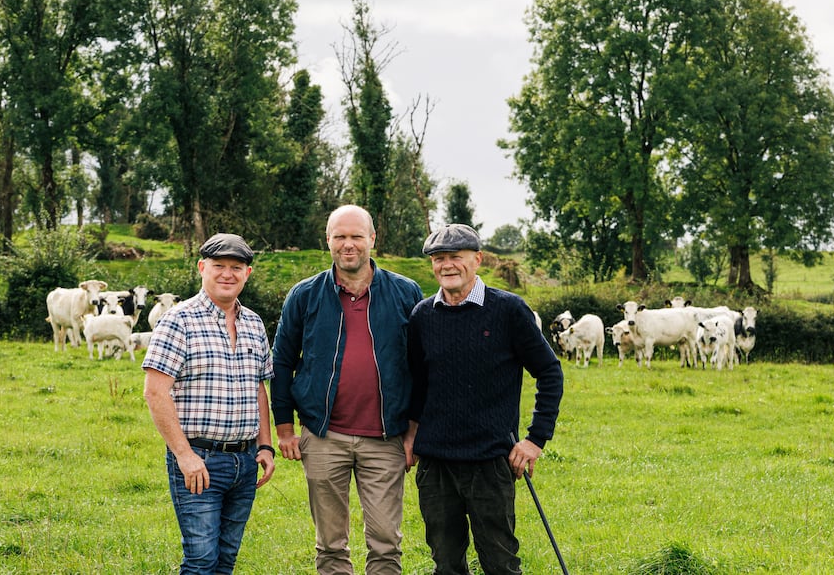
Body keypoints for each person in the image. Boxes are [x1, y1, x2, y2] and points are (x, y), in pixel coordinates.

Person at [271, 204, 424, 575]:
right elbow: (281, 361)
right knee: (330, 544)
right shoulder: (304, 295)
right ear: (328, 241)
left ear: (373, 239)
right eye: (340, 236)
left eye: (357, 236)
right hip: (325, 436)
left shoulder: (406, 292)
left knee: (386, 542)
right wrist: (286, 428)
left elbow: (422, 367)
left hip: (386, 437)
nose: (348, 244)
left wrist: (414, 433)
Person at [406, 223, 564, 575]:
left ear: (477, 259)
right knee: (445, 563)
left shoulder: (509, 310)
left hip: (492, 461)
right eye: (439, 258)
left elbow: (550, 372)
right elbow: (419, 383)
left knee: (500, 563)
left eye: (456, 257)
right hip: (436, 463)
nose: (447, 265)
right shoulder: (422, 316)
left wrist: (535, 440)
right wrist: (412, 434)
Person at [143, 232, 276, 574]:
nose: (227, 274)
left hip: (244, 462)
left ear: (248, 273)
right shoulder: (178, 320)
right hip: (199, 461)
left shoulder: (254, 324)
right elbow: (155, 393)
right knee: (201, 560)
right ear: (202, 267)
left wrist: (265, 445)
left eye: (237, 267)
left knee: (226, 559)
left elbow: (258, 387)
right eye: (219, 266)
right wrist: (185, 456)